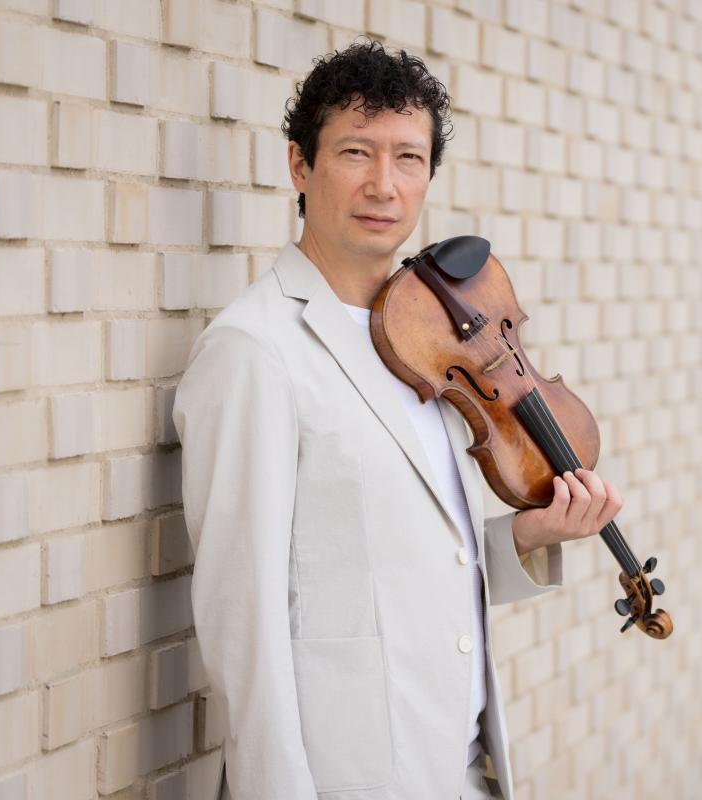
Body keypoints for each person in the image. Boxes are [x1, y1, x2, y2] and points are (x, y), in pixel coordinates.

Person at [172, 40, 622, 800]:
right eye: (356, 151)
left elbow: (412, 566)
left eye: (408, 159)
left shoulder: (423, 340)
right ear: (299, 167)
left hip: (459, 770)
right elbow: (238, 619)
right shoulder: (253, 351)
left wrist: (527, 537)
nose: (384, 184)